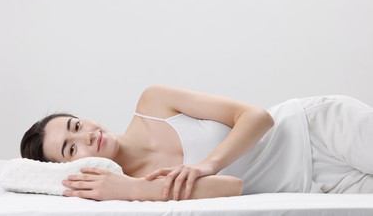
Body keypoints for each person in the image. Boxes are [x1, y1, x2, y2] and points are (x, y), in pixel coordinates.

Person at [20, 85, 373, 201]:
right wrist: (132, 189)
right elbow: (231, 187)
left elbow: (257, 117)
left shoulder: (153, 103)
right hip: (317, 186)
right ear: (73, 168)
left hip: (317, 129)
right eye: (71, 148)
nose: (87, 136)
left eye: (77, 125)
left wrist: (207, 164)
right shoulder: (131, 189)